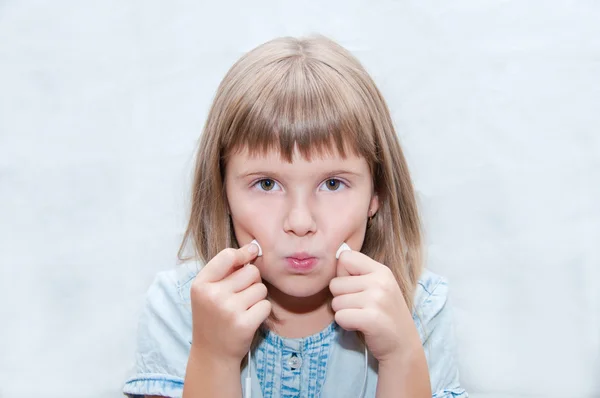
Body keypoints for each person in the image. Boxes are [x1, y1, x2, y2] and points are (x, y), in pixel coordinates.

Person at [122, 34, 468, 398]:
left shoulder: (420, 309)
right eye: (267, 184)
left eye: (333, 184)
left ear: (377, 192)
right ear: (222, 190)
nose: (300, 222)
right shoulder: (180, 309)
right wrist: (214, 357)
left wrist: (402, 357)